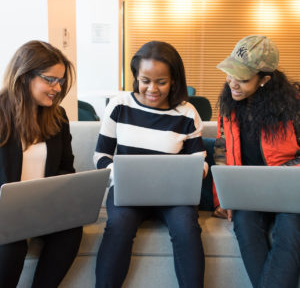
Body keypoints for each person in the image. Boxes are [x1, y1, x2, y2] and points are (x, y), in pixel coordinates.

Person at [94, 41, 208, 288]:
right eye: (145, 80)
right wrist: (119, 174)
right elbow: (101, 155)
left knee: (186, 228)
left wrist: (197, 170)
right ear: (136, 77)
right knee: (118, 226)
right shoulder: (119, 105)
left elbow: (199, 159)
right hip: (128, 192)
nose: (152, 89)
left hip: (173, 195)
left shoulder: (187, 113)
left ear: (174, 80)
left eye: (161, 82)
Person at [213, 35, 300, 288]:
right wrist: (223, 199)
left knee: (291, 229)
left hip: (290, 192)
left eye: (242, 78)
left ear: (264, 80)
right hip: (248, 195)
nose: (232, 83)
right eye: (230, 74)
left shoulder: (293, 106)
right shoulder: (228, 105)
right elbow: (222, 152)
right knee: (244, 223)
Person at [0, 40, 83, 288]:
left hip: (41, 209)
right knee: (11, 245)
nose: (57, 88)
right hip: (5, 213)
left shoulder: (57, 118)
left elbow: (66, 168)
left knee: (71, 231)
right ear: (24, 76)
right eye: (50, 79)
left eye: (61, 81)